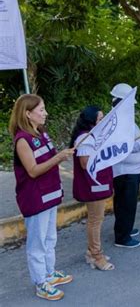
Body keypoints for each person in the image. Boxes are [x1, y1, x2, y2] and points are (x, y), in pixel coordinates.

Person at [9, 94, 73, 301]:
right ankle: (40, 283)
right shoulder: (22, 140)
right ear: (28, 114)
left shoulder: (41, 133)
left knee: (50, 237)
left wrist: (60, 157)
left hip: (50, 193)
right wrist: (58, 158)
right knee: (37, 243)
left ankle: (49, 273)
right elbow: (33, 171)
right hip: (35, 198)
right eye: (41, 110)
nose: (45, 113)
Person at [110, 83, 140, 248]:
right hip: (125, 170)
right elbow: (126, 147)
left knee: (125, 203)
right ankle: (122, 237)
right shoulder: (119, 122)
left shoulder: (123, 120)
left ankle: (125, 228)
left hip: (131, 169)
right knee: (126, 203)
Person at [69, 106, 115, 271]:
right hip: (93, 186)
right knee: (95, 221)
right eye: (100, 119)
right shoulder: (86, 138)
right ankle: (96, 255)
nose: (102, 121)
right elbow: (85, 164)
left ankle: (93, 251)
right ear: (91, 121)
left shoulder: (93, 136)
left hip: (98, 185)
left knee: (97, 219)